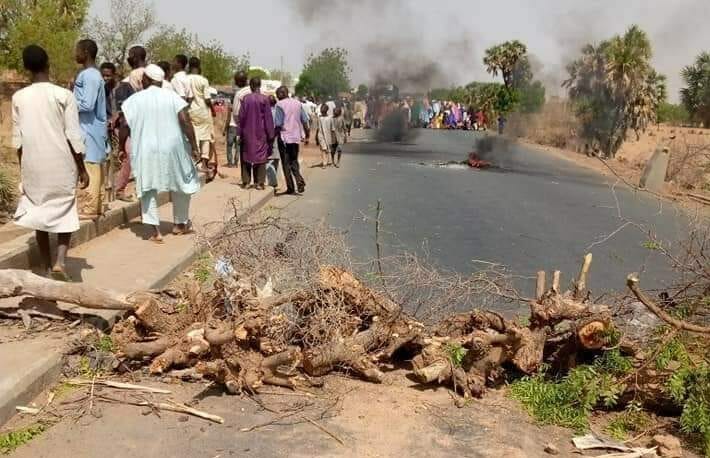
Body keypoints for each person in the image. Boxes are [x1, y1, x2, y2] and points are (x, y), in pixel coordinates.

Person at [12, 45, 90, 279]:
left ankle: (46, 266)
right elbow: (73, 136)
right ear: (48, 64)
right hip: (61, 162)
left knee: (39, 213)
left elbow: (19, 141)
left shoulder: (18, 97)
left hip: (33, 163)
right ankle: (60, 262)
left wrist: (23, 168)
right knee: (65, 209)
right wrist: (82, 169)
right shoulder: (63, 95)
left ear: (26, 68)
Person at [119, 64, 201, 243]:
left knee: (148, 187)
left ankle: (155, 231)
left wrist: (120, 147)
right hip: (173, 148)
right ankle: (180, 224)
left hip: (146, 149)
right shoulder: (172, 97)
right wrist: (194, 146)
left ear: (146, 80)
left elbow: (124, 125)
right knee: (182, 183)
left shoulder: (134, 100)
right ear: (161, 81)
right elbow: (185, 121)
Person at [73, 39, 107, 219]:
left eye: (77, 50)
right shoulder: (92, 75)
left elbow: (86, 104)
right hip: (93, 128)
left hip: (89, 128)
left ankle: (90, 207)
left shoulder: (89, 76)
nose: (75, 54)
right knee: (96, 166)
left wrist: (68, 103)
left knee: (91, 165)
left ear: (86, 52)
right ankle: (99, 204)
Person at [114, 45, 147, 202]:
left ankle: (121, 189)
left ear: (133, 57)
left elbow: (124, 116)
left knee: (129, 156)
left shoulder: (127, 82)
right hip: (144, 127)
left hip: (132, 128)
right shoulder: (154, 79)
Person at [238, 77, 275, 190]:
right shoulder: (264, 99)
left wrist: (239, 133)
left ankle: (246, 182)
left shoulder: (246, 99)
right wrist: (271, 135)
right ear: (260, 85)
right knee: (261, 156)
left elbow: (241, 117)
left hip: (247, 133)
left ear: (250, 86)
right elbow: (268, 119)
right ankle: (259, 183)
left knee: (246, 156)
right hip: (261, 133)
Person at [274, 86, 309, 194]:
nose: (277, 96)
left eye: (278, 94)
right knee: (294, 161)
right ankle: (299, 179)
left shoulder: (279, 105)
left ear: (282, 93)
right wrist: (307, 134)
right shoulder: (298, 103)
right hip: (296, 137)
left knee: (285, 163)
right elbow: (304, 120)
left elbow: (279, 123)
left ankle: (290, 188)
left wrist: (273, 136)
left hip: (284, 137)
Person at [187, 57, 215, 172]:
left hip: (189, 111)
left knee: (192, 136)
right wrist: (213, 109)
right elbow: (207, 99)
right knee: (205, 137)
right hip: (203, 111)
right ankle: (203, 163)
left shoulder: (185, 79)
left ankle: (193, 162)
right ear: (199, 67)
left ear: (189, 66)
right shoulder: (203, 80)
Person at [224, 71, 249, 168]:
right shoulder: (250, 92)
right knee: (238, 146)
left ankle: (230, 163)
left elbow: (229, 117)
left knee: (229, 146)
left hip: (232, 127)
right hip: (241, 127)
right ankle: (236, 162)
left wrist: (224, 129)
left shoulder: (235, 100)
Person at [316, 103, 335, 168]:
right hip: (321, 136)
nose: (322, 110)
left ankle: (328, 161)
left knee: (328, 149)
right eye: (321, 109)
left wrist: (333, 138)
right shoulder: (319, 118)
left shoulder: (330, 118)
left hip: (328, 136)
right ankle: (324, 163)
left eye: (323, 109)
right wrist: (316, 137)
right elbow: (318, 128)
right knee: (323, 149)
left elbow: (332, 129)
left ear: (326, 110)